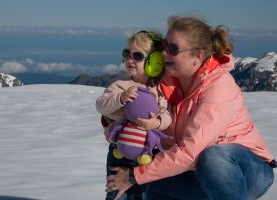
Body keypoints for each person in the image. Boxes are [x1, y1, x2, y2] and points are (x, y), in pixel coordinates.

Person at [105, 16, 276, 200]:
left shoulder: (219, 87)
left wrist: (133, 176)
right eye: (164, 46)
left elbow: (189, 152)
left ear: (198, 56)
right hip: (195, 170)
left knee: (213, 158)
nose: (164, 54)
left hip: (247, 170)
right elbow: (139, 109)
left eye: (173, 49)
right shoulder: (165, 82)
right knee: (154, 188)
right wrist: (117, 123)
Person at [96, 30, 172, 200]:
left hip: (147, 153)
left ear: (155, 62)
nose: (130, 59)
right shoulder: (120, 85)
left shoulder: (158, 91)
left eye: (137, 56)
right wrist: (120, 99)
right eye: (127, 53)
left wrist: (157, 123)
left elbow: (167, 115)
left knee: (144, 193)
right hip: (119, 151)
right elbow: (101, 105)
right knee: (116, 190)